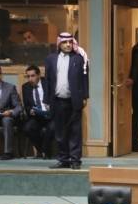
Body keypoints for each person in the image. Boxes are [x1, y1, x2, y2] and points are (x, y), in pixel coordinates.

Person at [44, 33, 89, 170]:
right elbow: (48, 80)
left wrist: (85, 96)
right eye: (65, 42)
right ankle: (63, 159)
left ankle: (75, 160)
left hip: (74, 101)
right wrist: (46, 99)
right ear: (59, 44)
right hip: (57, 101)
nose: (68, 44)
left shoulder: (79, 58)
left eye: (70, 42)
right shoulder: (51, 59)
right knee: (60, 133)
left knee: (75, 132)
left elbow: (84, 79)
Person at [22, 65, 53, 159]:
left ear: (39, 75)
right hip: (36, 116)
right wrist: (30, 111)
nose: (30, 79)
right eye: (28, 76)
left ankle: (45, 151)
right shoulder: (25, 87)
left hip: (50, 115)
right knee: (28, 128)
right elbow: (27, 105)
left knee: (52, 128)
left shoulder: (48, 83)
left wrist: (51, 106)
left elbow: (55, 99)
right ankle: (42, 150)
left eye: (33, 76)